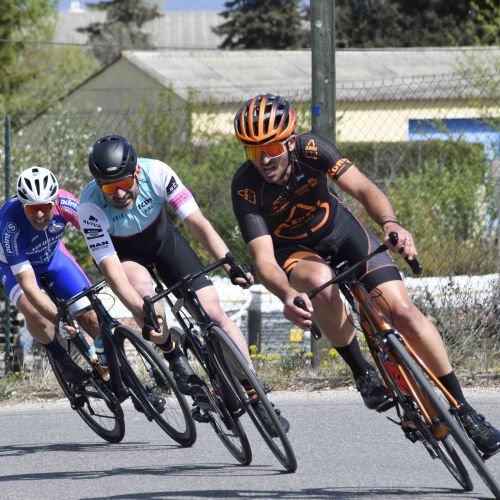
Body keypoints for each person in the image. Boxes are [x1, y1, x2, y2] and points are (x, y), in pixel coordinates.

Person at [230, 93, 500, 455]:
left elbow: (364, 188)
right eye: (253, 150)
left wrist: (391, 224)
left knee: (403, 312)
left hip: (340, 231)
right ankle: (362, 372)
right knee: (320, 283)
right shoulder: (246, 187)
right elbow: (263, 259)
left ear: (290, 141)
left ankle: (465, 411)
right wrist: (287, 294)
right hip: (295, 251)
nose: (264, 159)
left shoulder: (312, 149)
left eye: (272, 147)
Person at [78, 134, 289, 434]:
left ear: (136, 171)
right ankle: (172, 353)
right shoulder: (89, 207)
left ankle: (257, 396)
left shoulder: (157, 173)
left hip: (164, 243)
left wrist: (228, 262)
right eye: (110, 188)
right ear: (99, 185)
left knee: (213, 313)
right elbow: (114, 273)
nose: (120, 193)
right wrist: (143, 313)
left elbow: (196, 222)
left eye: (124, 183)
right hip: (126, 258)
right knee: (148, 302)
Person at [0, 166, 101, 384]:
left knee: (92, 318)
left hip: (52, 258)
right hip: (14, 267)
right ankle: (61, 358)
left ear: (55, 201)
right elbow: (29, 286)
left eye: (45, 206)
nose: (39, 214)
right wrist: (59, 319)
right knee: (38, 315)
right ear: (22, 205)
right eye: (31, 208)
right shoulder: (9, 225)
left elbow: (97, 232)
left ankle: (120, 375)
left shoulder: (65, 202)